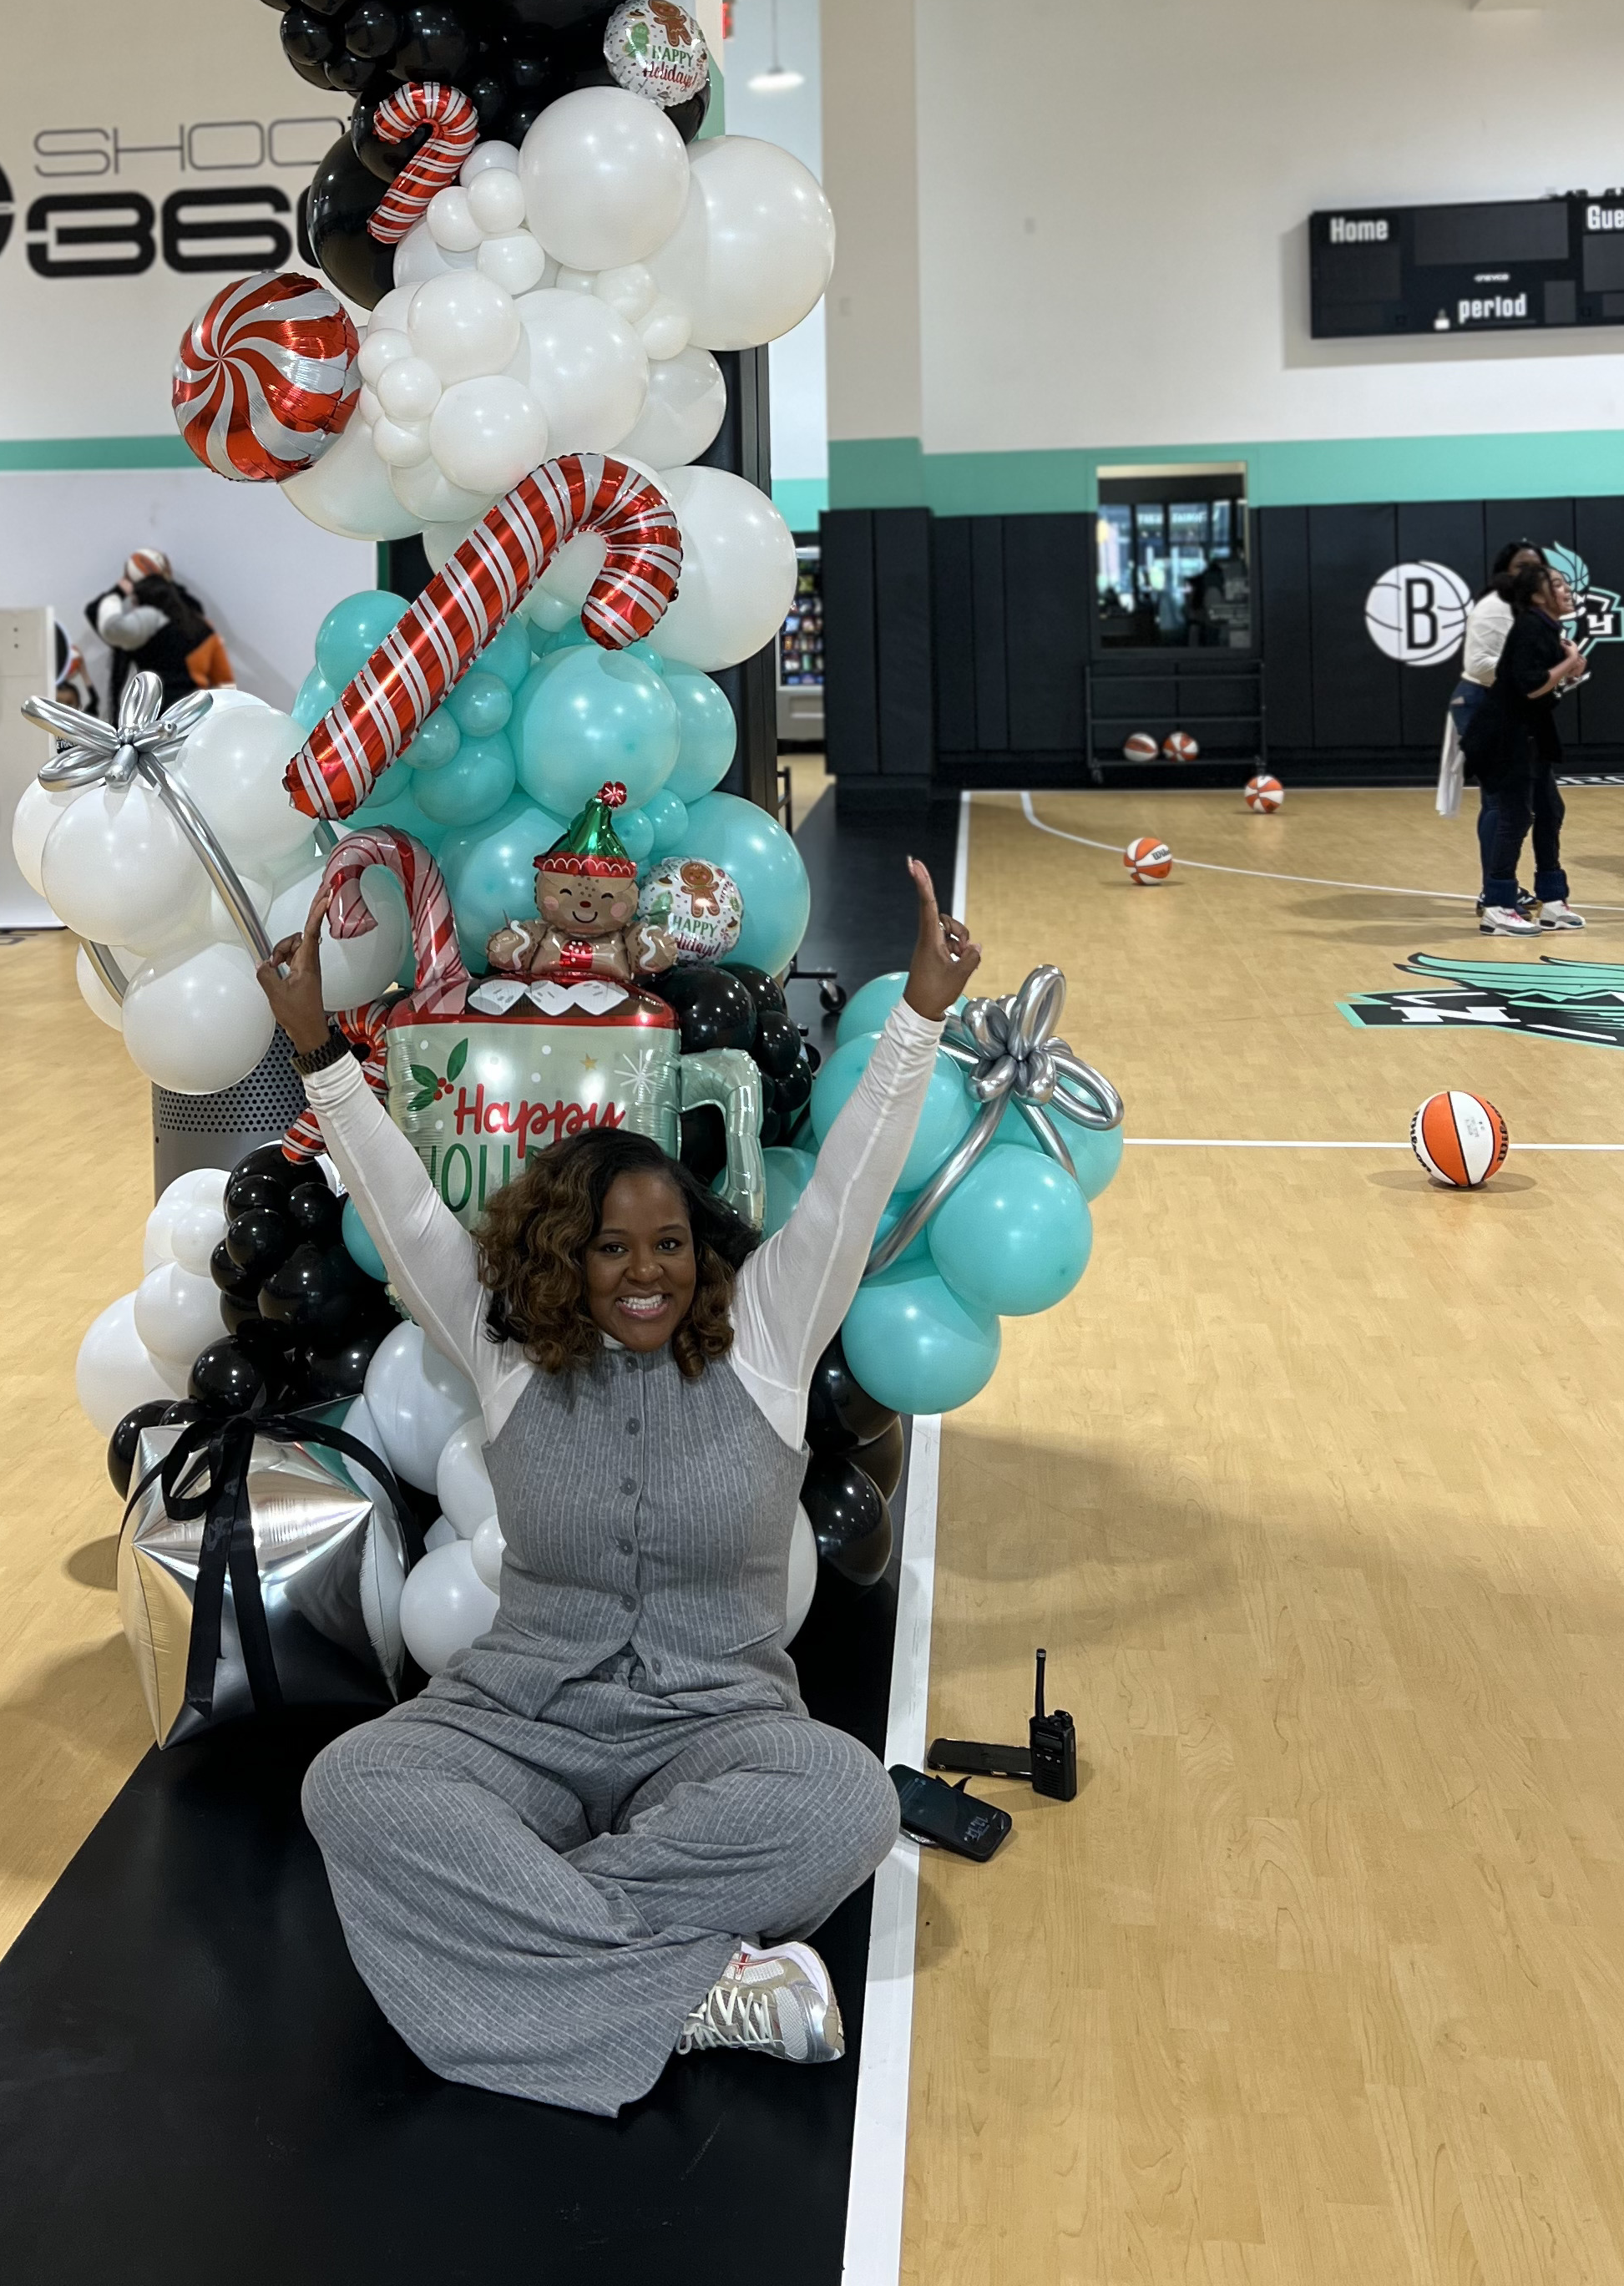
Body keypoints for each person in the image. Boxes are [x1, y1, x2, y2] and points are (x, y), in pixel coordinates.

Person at [256, 858, 976, 2120]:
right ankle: (698, 1989)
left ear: (703, 1251)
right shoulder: (507, 1352)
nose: (645, 1272)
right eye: (611, 1248)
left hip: (716, 1733)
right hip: (516, 1722)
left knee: (845, 1800)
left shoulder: (765, 1332)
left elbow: (857, 1180)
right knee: (352, 1785)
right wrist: (318, 1050)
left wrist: (918, 1012)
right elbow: (402, 1204)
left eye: (670, 1244)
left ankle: (528, 1925)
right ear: (565, 1258)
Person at [1466, 552, 1589, 935]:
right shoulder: (1531, 628)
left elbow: (1544, 690)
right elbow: (1529, 685)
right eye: (1556, 584)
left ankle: (1552, 900)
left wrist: (1566, 673)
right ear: (1537, 596)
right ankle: (1498, 905)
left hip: (1530, 734)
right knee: (1515, 816)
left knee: (1550, 811)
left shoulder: (1546, 627)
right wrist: (1567, 666)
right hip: (1504, 738)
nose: (1566, 589)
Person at [1434, 540, 1538, 824]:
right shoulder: (1494, 606)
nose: (1531, 572)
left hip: (1510, 704)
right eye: (1522, 566)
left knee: (1527, 803)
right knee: (1501, 801)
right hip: (1480, 700)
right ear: (1505, 571)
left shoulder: (1530, 607)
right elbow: (1479, 666)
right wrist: (1537, 673)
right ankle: (1496, 872)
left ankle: (1537, 870)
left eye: (1537, 567)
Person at [84, 549, 233, 719]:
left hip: (155, 719)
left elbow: (99, 616)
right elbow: (226, 683)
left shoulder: (142, 631)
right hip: (194, 716)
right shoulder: (201, 628)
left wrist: (121, 588)